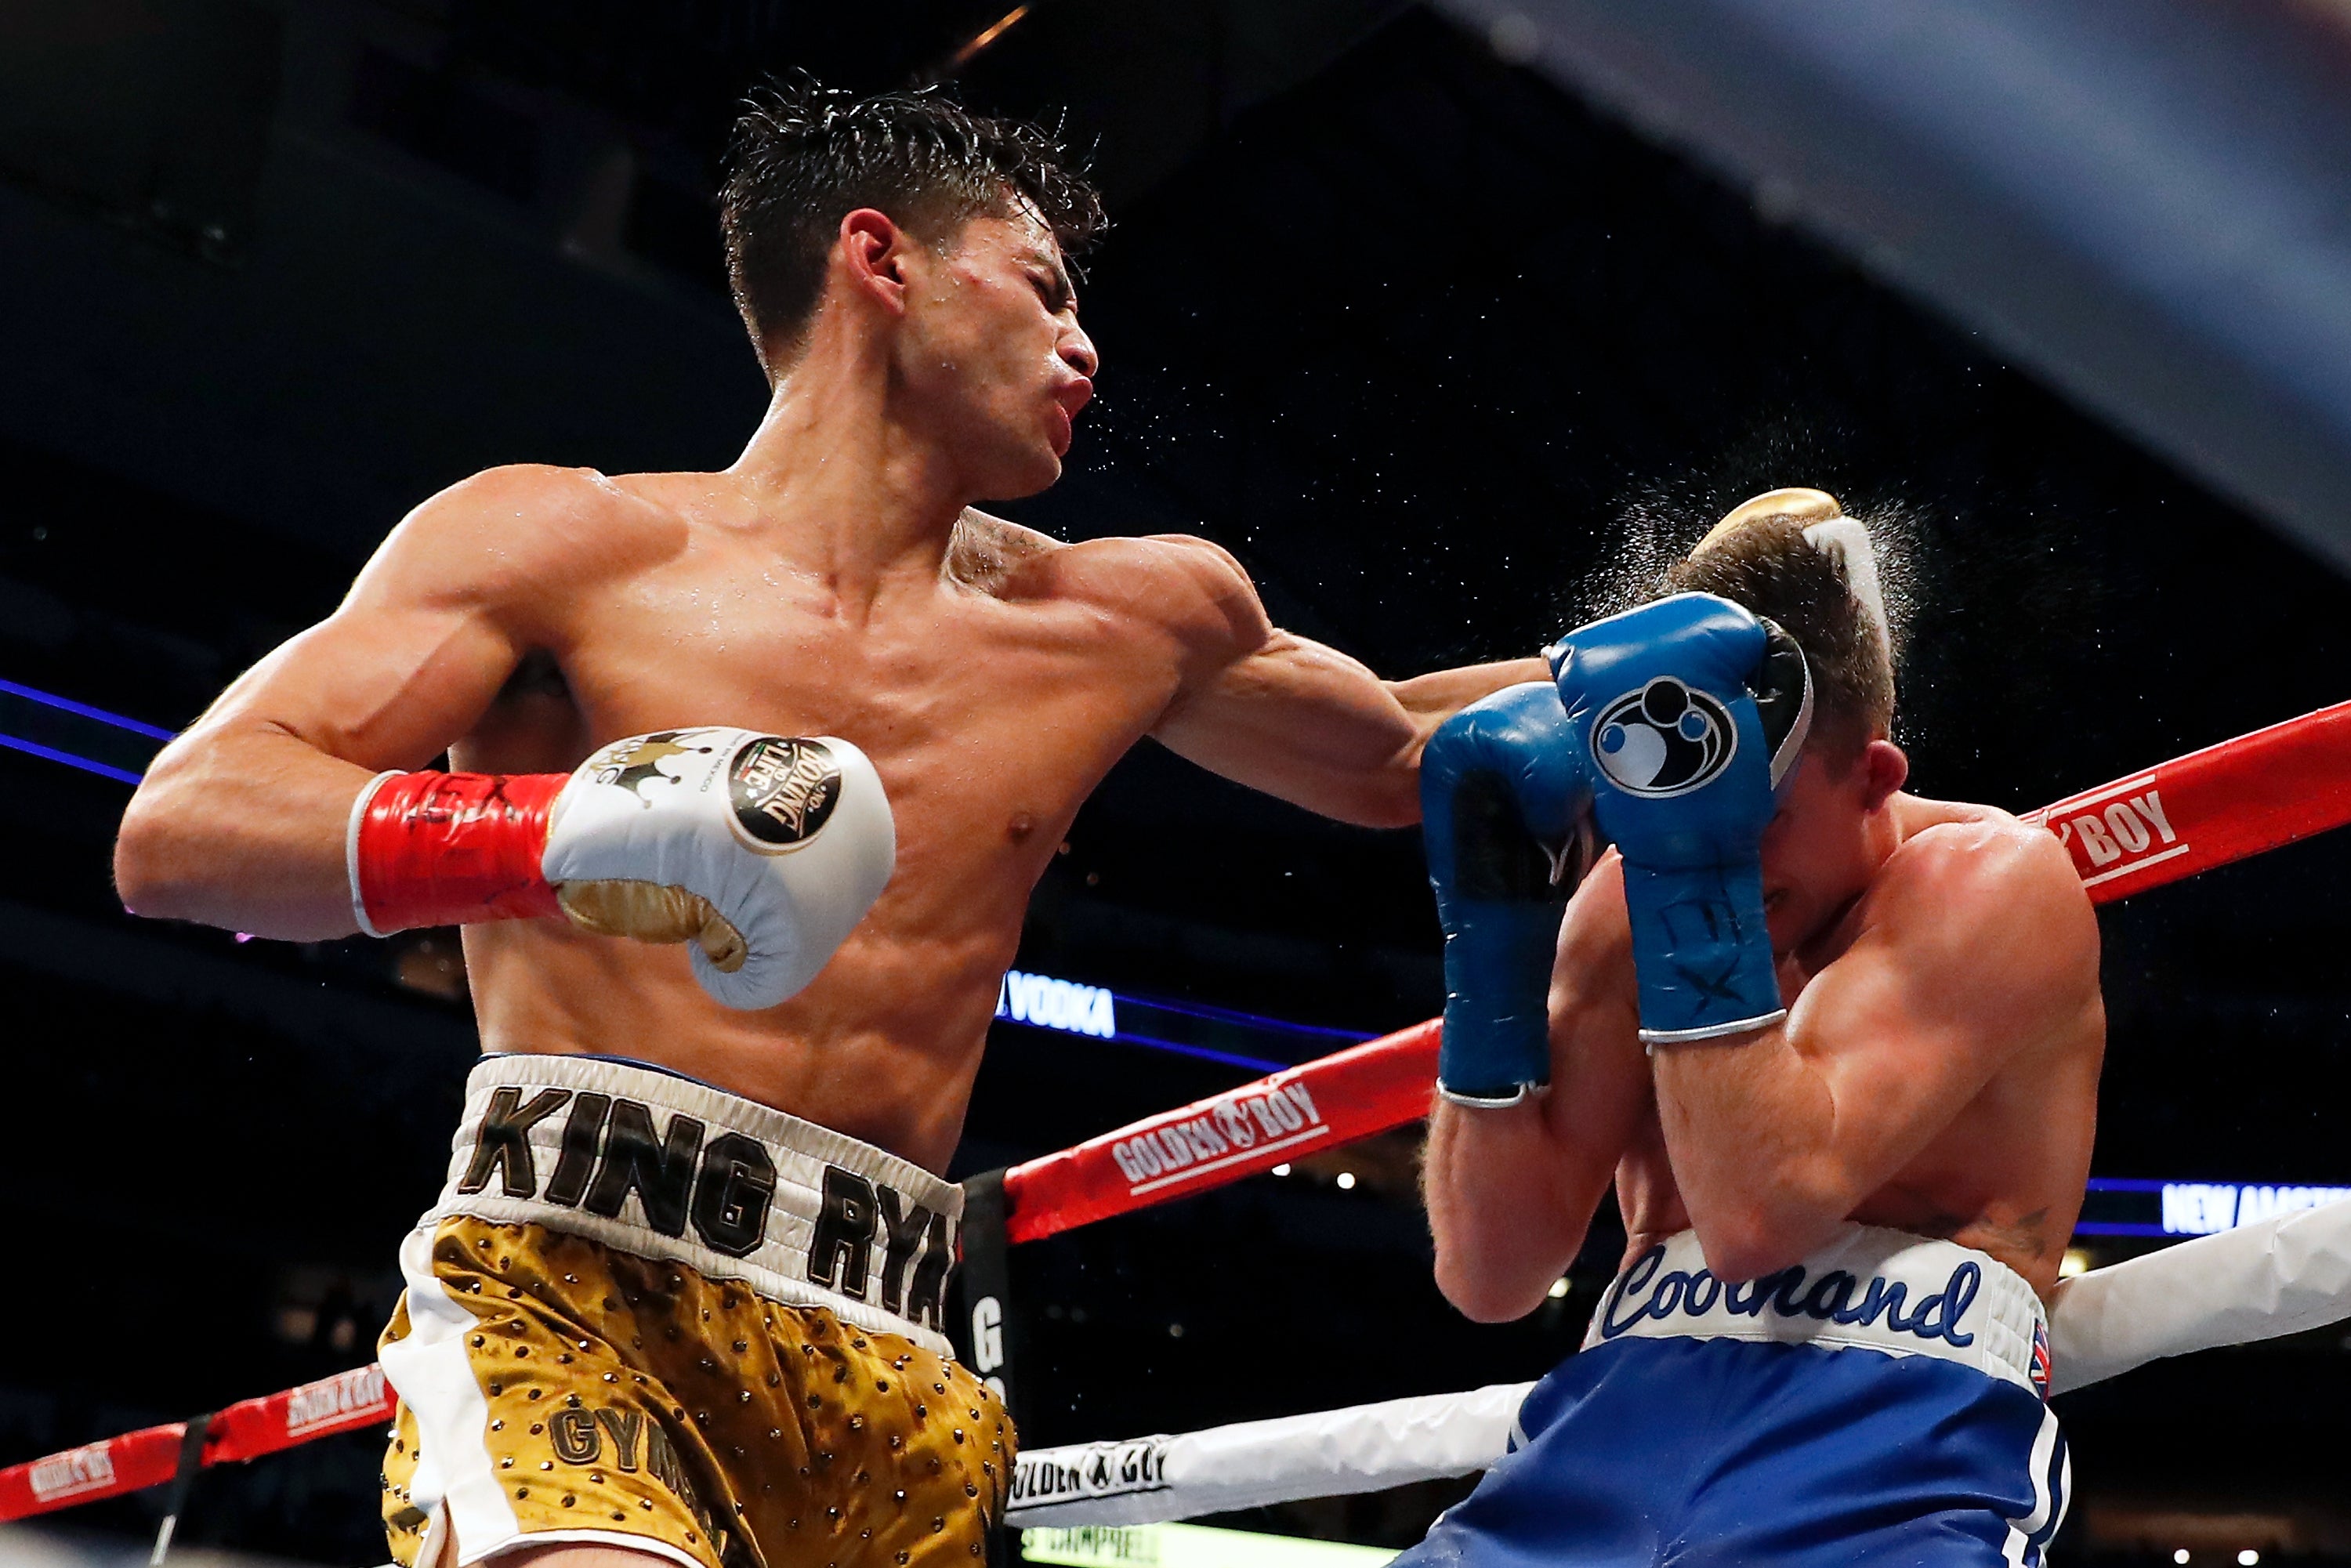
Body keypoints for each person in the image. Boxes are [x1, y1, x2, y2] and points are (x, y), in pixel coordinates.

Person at [110, 82, 1541, 1568]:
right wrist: (578, 831)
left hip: (898, 1365)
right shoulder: (563, 548)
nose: (1084, 345)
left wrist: (1732, 641)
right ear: (881, 260)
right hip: (572, 1291)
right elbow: (188, 822)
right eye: (1045, 289)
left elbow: (1406, 753)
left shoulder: (1131, 616)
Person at [1410, 489, 2103, 1565]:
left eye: (1755, 817)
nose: (1710, 847)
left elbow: (1756, 1219)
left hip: (1886, 1452)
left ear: (1874, 777)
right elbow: (1490, 1274)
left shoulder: (1992, 884)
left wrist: (1694, 860)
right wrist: (1490, 946)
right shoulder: (1621, 895)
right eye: (1681, 810)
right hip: (1613, 1426)